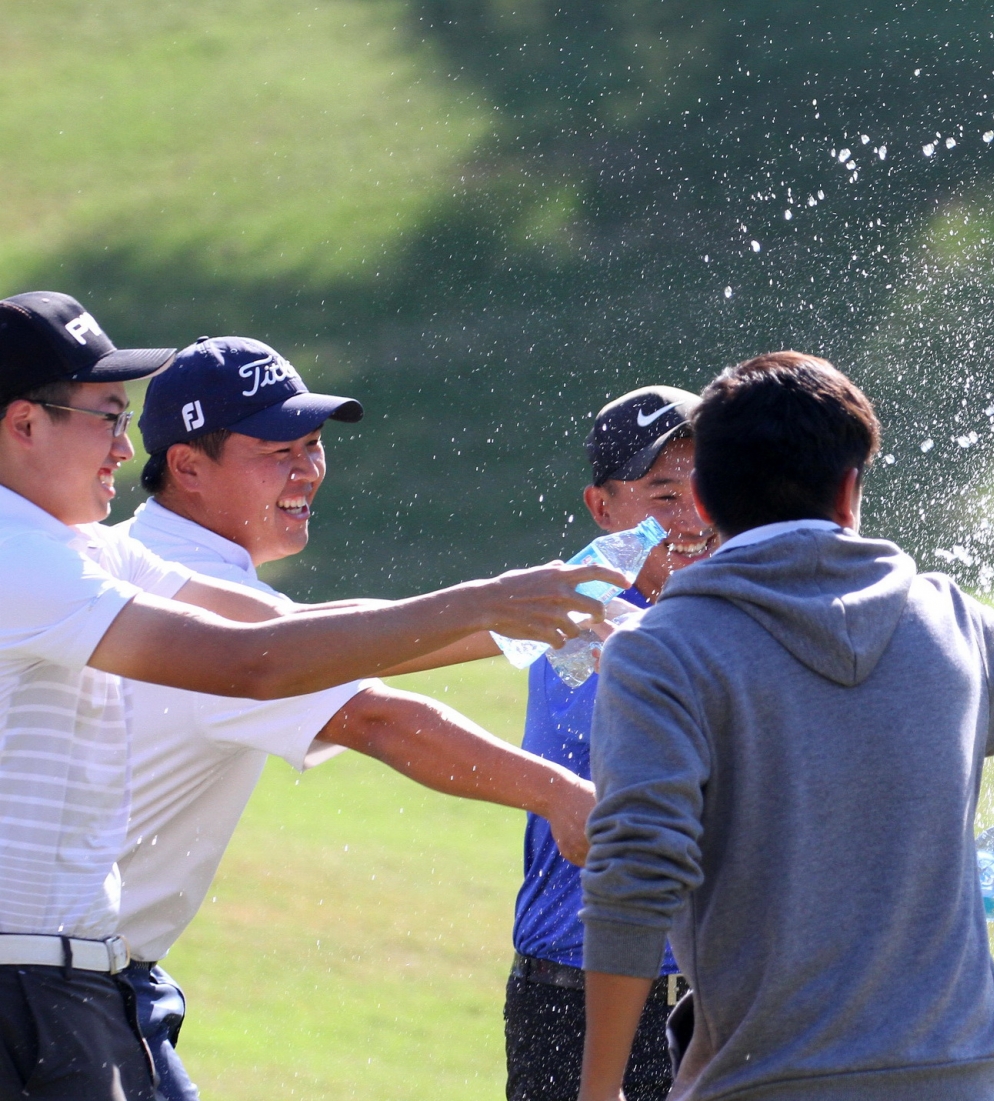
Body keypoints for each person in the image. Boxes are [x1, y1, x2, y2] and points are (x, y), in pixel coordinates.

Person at [0, 291, 621, 1101]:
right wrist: (562, 789)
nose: (122, 446)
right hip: (32, 992)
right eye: (109, 417)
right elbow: (270, 666)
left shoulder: (82, 549)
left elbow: (307, 626)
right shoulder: (26, 562)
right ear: (23, 424)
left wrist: (531, 610)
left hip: (78, 982)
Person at [576, 353, 994, 1101]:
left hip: (764, 1078)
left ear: (701, 498)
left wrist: (598, 1091)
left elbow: (636, 871)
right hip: (956, 1074)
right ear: (850, 488)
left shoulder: (659, 652)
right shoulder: (952, 621)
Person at [506, 386, 718, 1101]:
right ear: (603, 509)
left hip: (711, 994)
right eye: (664, 493)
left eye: (707, 483)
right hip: (575, 1001)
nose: (693, 516)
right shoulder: (575, 616)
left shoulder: (714, 610)